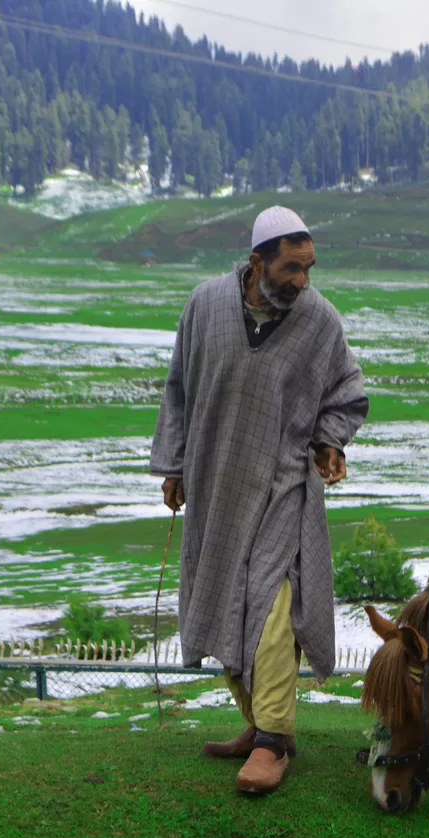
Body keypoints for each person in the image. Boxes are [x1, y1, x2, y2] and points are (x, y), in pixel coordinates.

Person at [150, 206, 369, 794]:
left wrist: (330, 442)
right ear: (258, 263)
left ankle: (273, 742)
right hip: (216, 484)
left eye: (309, 268)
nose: (303, 281)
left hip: (282, 487)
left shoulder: (320, 322)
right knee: (224, 600)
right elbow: (177, 389)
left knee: (272, 609)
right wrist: (174, 464)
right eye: (292, 268)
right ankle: (257, 723)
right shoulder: (204, 306)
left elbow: (348, 395)